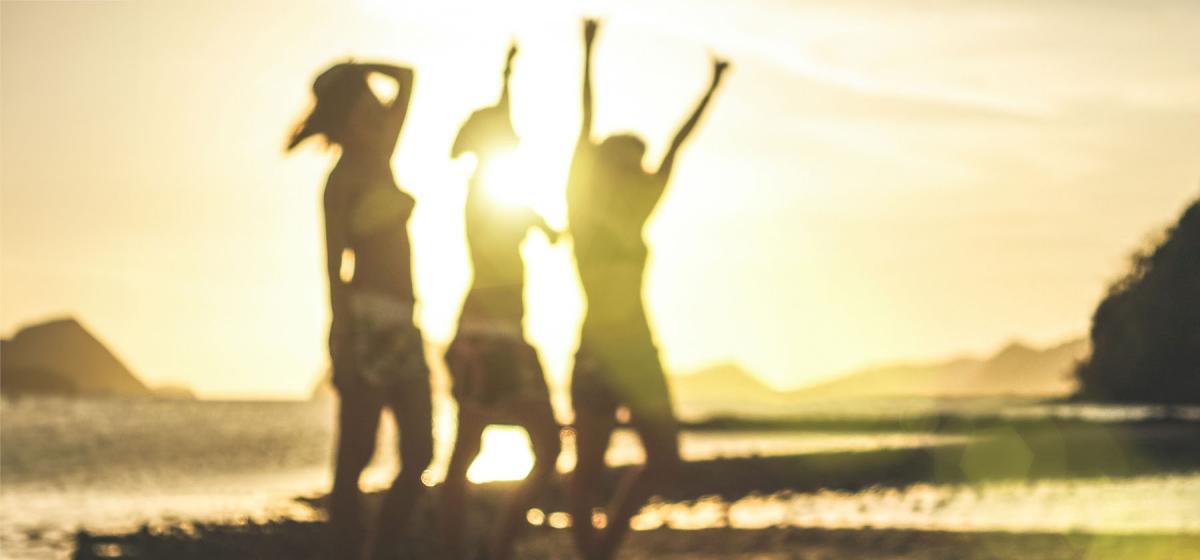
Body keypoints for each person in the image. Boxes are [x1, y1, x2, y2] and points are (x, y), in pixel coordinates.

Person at [565, 19, 729, 560]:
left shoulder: (637, 215)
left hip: (638, 349)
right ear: (608, 167)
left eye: (642, 162)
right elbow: (584, 125)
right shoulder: (584, 216)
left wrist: (711, 88)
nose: (642, 169)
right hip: (596, 352)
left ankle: (601, 548)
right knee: (585, 472)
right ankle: (594, 552)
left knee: (664, 460)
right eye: (632, 160)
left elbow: (677, 145)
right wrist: (588, 52)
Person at [286, 60, 432, 560]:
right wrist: (342, 338)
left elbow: (408, 78)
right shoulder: (341, 180)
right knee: (355, 456)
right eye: (364, 103)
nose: (376, 108)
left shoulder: (384, 153)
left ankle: (380, 550)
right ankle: (348, 550)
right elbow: (332, 268)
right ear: (347, 117)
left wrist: (359, 64)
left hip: (404, 322)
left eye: (375, 102)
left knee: (420, 454)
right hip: (365, 320)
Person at [439, 43, 563, 560]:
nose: (517, 134)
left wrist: (508, 71)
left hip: (502, 332)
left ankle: (494, 546)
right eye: (507, 131)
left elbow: (503, 117)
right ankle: (473, 548)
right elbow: (510, 214)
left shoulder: (501, 186)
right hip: (488, 335)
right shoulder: (486, 189)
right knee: (476, 451)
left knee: (530, 448)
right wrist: (538, 223)